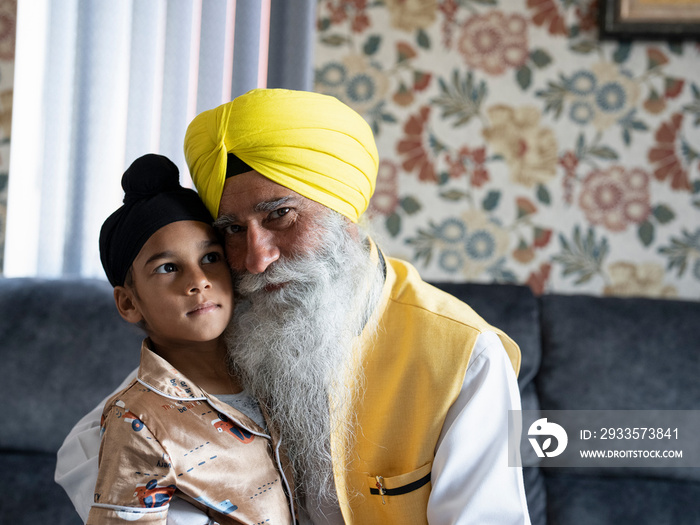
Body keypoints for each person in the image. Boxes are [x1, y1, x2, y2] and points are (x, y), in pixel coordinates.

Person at [57, 89, 531, 524]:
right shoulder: (233, 313)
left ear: (344, 212)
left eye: (279, 215)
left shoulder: (467, 357)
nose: (256, 260)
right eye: (233, 229)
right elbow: (89, 447)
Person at [85, 153, 294, 524]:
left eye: (210, 258)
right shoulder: (138, 421)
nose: (198, 280)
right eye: (168, 268)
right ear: (130, 302)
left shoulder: (281, 365)